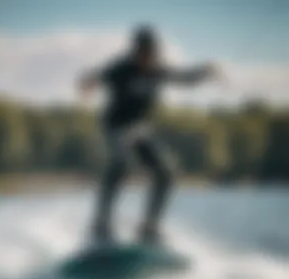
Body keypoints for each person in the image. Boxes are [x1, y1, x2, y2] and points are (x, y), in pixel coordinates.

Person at [79, 25, 222, 245]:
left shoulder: (157, 70)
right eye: (142, 54)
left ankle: (149, 227)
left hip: (141, 130)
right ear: (135, 52)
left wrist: (205, 72)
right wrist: (88, 82)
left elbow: (183, 79)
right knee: (121, 162)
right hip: (115, 127)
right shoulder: (121, 69)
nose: (147, 59)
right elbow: (98, 76)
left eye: (151, 54)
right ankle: (101, 224)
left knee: (166, 172)